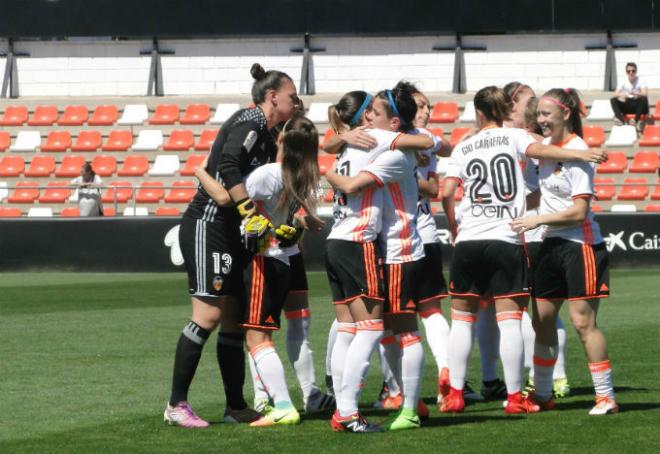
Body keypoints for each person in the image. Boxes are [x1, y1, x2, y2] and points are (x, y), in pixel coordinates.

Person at [440, 86, 607, 415]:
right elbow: (542, 152)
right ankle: (516, 397)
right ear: (503, 110)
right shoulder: (513, 136)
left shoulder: (463, 144)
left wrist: (454, 225)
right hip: (507, 235)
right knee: (511, 321)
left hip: (469, 238)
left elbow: (446, 192)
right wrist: (581, 154)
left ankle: (455, 393)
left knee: (461, 320)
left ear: (478, 113)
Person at [164, 63, 299, 428]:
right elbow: (227, 163)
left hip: (235, 230)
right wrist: (243, 208)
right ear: (272, 97)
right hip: (210, 225)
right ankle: (176, 404)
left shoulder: (269, 134)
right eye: (292, 96)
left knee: (235, 320)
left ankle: (235, 405)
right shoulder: (250, 121)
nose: (297, 101)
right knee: (207, 315)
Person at [326, 83, 435, 431]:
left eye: (376, 111)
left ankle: (407, 405)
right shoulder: (373, 141)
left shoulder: (386, 148)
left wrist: (325, 163)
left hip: (397, 249)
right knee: (373, 330)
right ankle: (355, 408)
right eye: (368, 110)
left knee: (392, 330)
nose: (371, 116)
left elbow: (427, 142)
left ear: (392, 123)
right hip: (369, 245)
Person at [512, 88, 617, 415]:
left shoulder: (579, 151)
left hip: (579, 245)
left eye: (547, 114)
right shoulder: (548, 149)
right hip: (550, 245)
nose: (541, 120)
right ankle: (543, 393)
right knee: (541, 321)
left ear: (566, 115)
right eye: (538, 115)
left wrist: (537, 219)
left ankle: (606, 397)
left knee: (582, 322)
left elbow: (579, 212)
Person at [610, 62, 649, 130]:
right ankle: (620, 120)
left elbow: (645, 93)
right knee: (613, 100)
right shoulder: (623, 80)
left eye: (633, 71)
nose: (631, 73)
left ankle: (635, 120)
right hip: (628, 103)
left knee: (643, 98)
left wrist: (635, 93)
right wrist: (623, 94)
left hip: (638, 105)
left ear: (636, 71)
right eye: (628, 71)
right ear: (626, 72)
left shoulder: (640, 80)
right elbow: (615, 94)